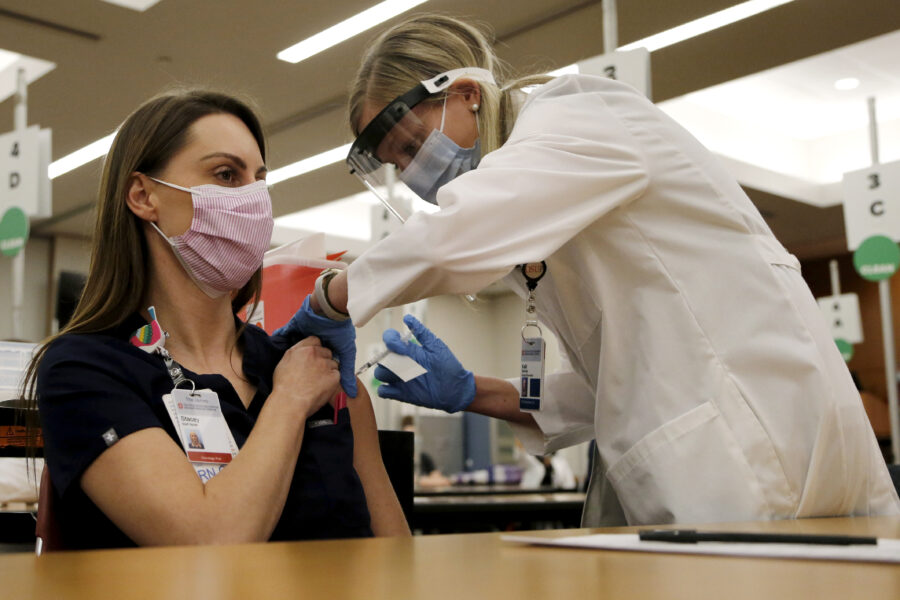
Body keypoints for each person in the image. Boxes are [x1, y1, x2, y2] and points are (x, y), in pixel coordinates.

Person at [302, 14, 900, 526]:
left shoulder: (580, 118)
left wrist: (330, 296)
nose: (409, 174)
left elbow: (449, 239)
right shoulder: (544, 209)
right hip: (740, 460)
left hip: (763, 455)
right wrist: (475, 391)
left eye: (408, 146)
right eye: (393, 163)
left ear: (466, 94)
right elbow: (612, 382)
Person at [23, 90, 408, 549]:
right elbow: (207, 542)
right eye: (226, 175)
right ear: (144, 196)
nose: (252, 200)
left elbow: (395, 558)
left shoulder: (318, 368)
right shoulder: (84, 370)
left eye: (259, 181)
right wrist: (288, 401)